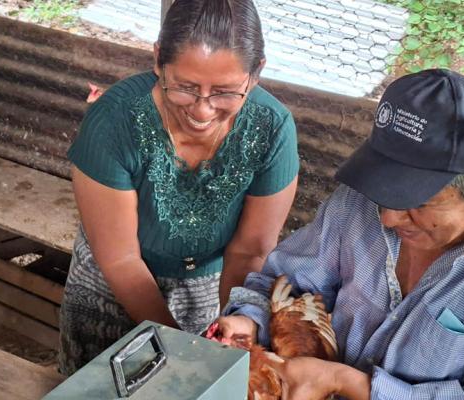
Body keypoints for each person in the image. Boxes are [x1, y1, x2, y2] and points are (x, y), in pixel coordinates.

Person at [216, 69, 464, 399]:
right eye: (385, 192)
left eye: (418, 202)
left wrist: (351, 384)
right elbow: (287, 282)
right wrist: (250, 321)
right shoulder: (365, 194)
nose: (388, 217)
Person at [58, 0, 299, 375]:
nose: (202, 110)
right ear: (158, 60)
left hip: (212, 286)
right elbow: (121, 259)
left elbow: (249, 252)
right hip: (111, 286)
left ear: (256, 74)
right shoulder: (115, 121)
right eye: (185, 87)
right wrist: (179, 352)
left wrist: (232, 322)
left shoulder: (271, 128)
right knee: (98, 383)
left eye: (225, 92)